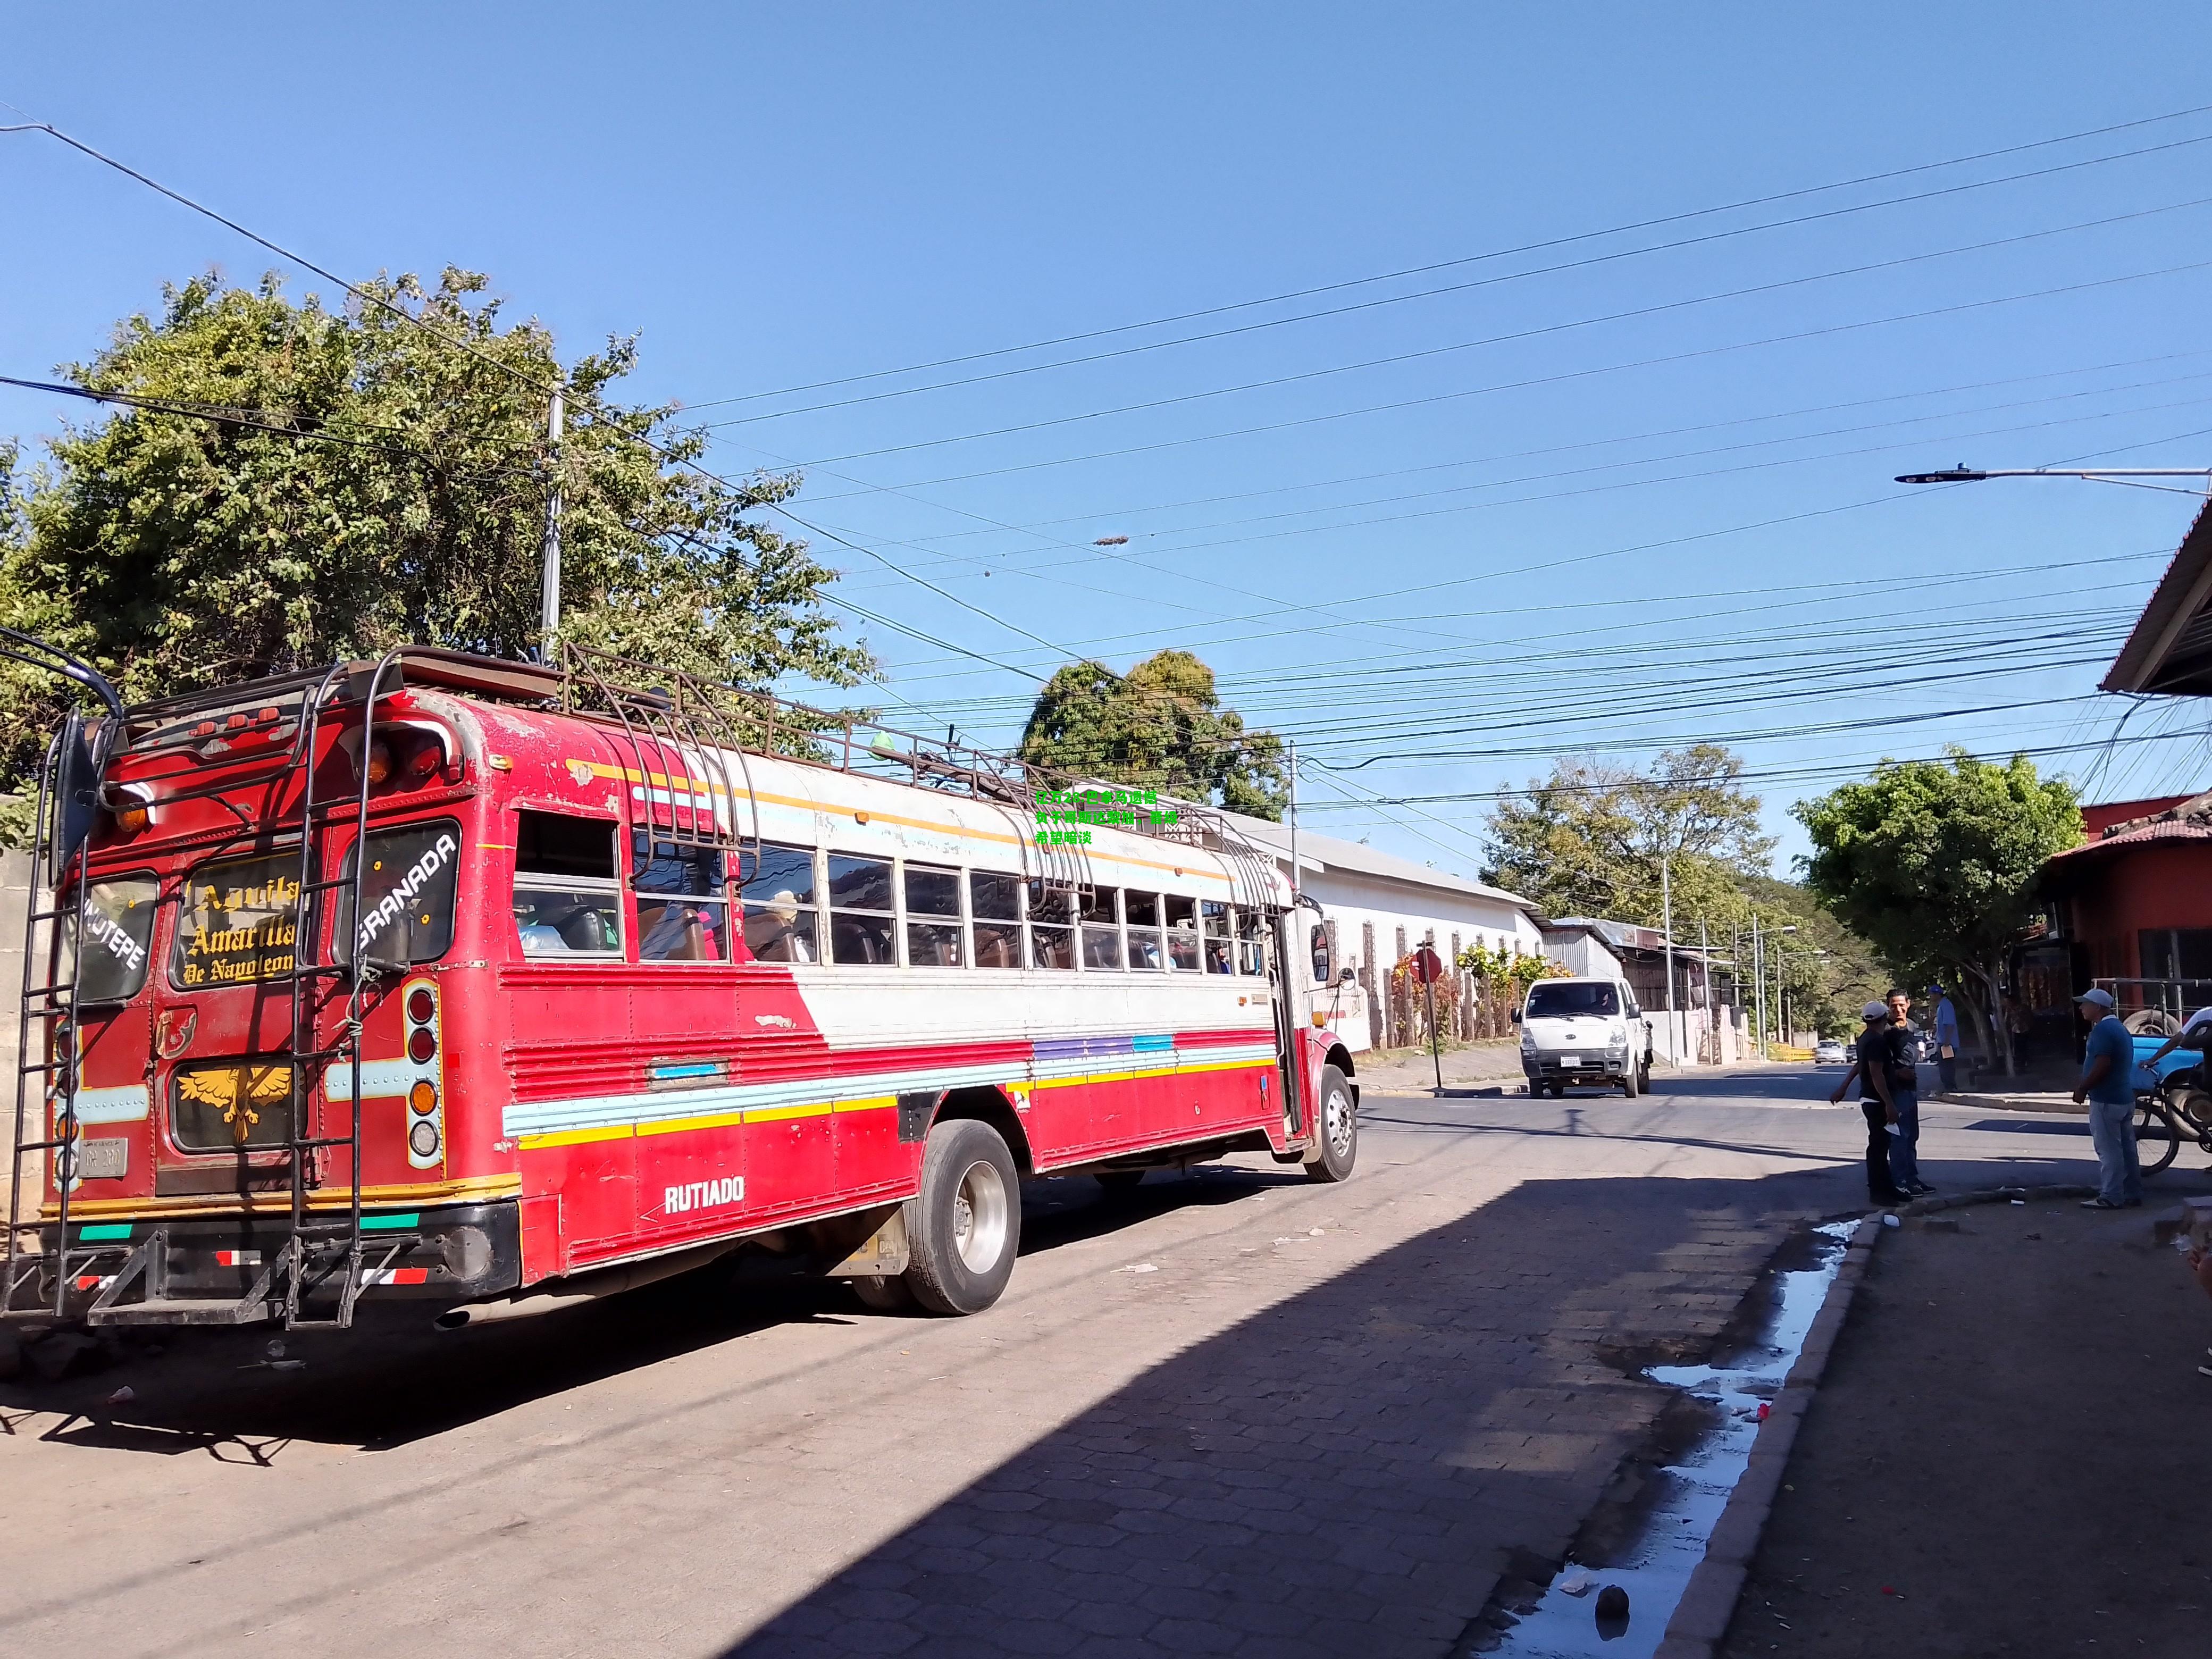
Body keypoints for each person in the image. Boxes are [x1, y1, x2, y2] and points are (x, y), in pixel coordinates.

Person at [2071, 987, 2144, 1209]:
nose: (2082, 1008)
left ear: (2098, 1007)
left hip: (2106, 1099)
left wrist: (2083, 1087)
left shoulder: (2103, 1030)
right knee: (2128, 1150)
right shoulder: (2119, 1028)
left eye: (2085, 1004)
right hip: (2123, 1097)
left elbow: (2103, 1064)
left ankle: (2111, 1196)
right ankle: (2132, 1192)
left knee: (2109, 1150)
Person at [1831, 1000, 1906, 1206]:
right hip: (1877, 1100)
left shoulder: (1867, 1038)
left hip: (1872, 1098)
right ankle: (1878, 1192)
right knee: (1878, 1149)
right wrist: (1889, 1104)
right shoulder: (1876, 1042)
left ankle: (1888, 1188)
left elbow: (1859, 1066)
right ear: (1883, 1018)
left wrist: (1843, 1087)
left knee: (1882, 1145)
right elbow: (1876, 1074)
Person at [1932, 984, 1960, 1096]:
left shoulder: (1946, 1005)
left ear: (1937, 994)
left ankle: (1950, 1087)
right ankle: (1947, 1087)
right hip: (1943, 1042)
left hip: (1948, 1043)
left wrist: (1947, 1042)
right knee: (1943, 1066)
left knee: (1947, 1066)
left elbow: (1950, 1024)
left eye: (1932, 994)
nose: (1931, 997)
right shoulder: (1941, 1006)